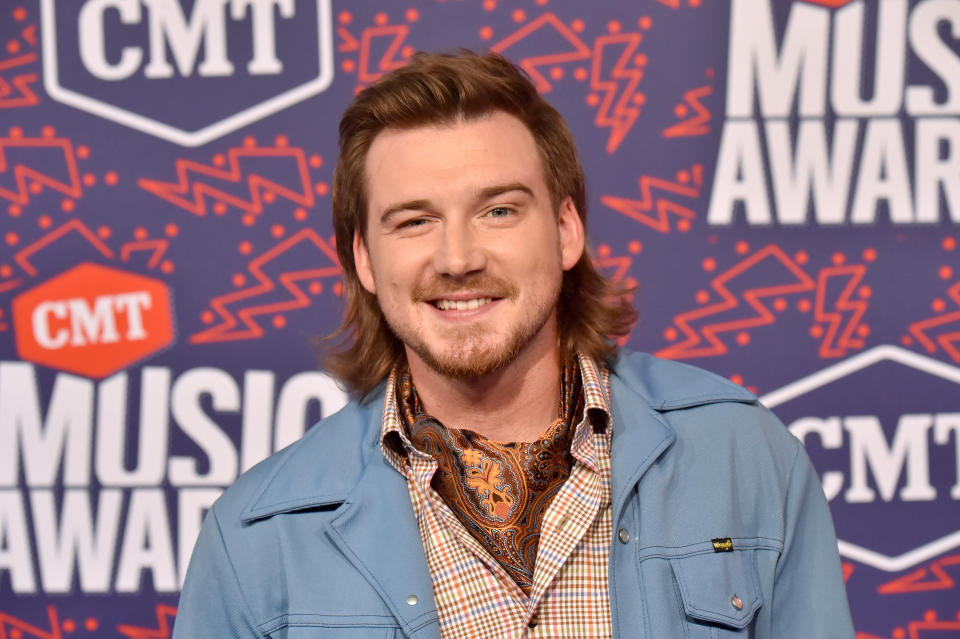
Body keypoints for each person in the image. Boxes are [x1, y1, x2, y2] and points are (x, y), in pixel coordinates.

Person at [173, 51, 855, 638]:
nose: (459, 256)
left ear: (565, 230)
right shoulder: (257, 539)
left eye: (498, 210)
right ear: (365, 260)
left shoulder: (743, 457)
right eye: (414, 221)